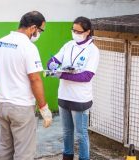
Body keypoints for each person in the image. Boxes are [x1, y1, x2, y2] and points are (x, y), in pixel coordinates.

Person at [0, 11, 52, 160]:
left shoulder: (0, 42)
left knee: (5, 148)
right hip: (21, 107)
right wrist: (44, 108)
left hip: (1, 103)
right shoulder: (28, 47)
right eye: (40, 30)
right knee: (24, 152)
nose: (39, 34)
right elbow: (35, 79)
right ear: (33, 28)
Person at [46, 16, 99, 160]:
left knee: (81, 135)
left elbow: (86, 76)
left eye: (78, 31)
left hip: (80, 99)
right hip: (64, 96)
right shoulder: (69, 45)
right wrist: (51, 65)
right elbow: (53, 60)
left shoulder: (92, 50)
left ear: (87, 32)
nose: (75, 33)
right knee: (66, 132)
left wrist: (61, 75)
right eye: (73, 30)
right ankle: (67, 157)